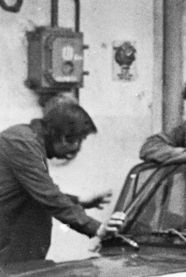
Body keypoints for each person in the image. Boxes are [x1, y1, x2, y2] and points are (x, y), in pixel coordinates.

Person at [0, 99, 108, 263]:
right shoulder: (22, 142)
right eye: (80, 139)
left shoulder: (27, 140)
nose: (77, 148)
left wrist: (79, 201)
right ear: (65, 137)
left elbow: (31, 193)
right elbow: (46, 194)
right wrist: (97, 228)